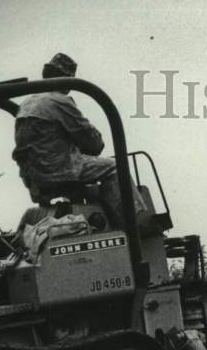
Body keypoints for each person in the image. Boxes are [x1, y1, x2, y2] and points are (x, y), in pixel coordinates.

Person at [12, 52, 146, 231]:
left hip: (36, 177)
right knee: (115, 167)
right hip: (60, 170)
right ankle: (132, 226)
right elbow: (94, 144)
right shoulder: (59, 101)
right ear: (67, 80)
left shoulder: (27, 104)